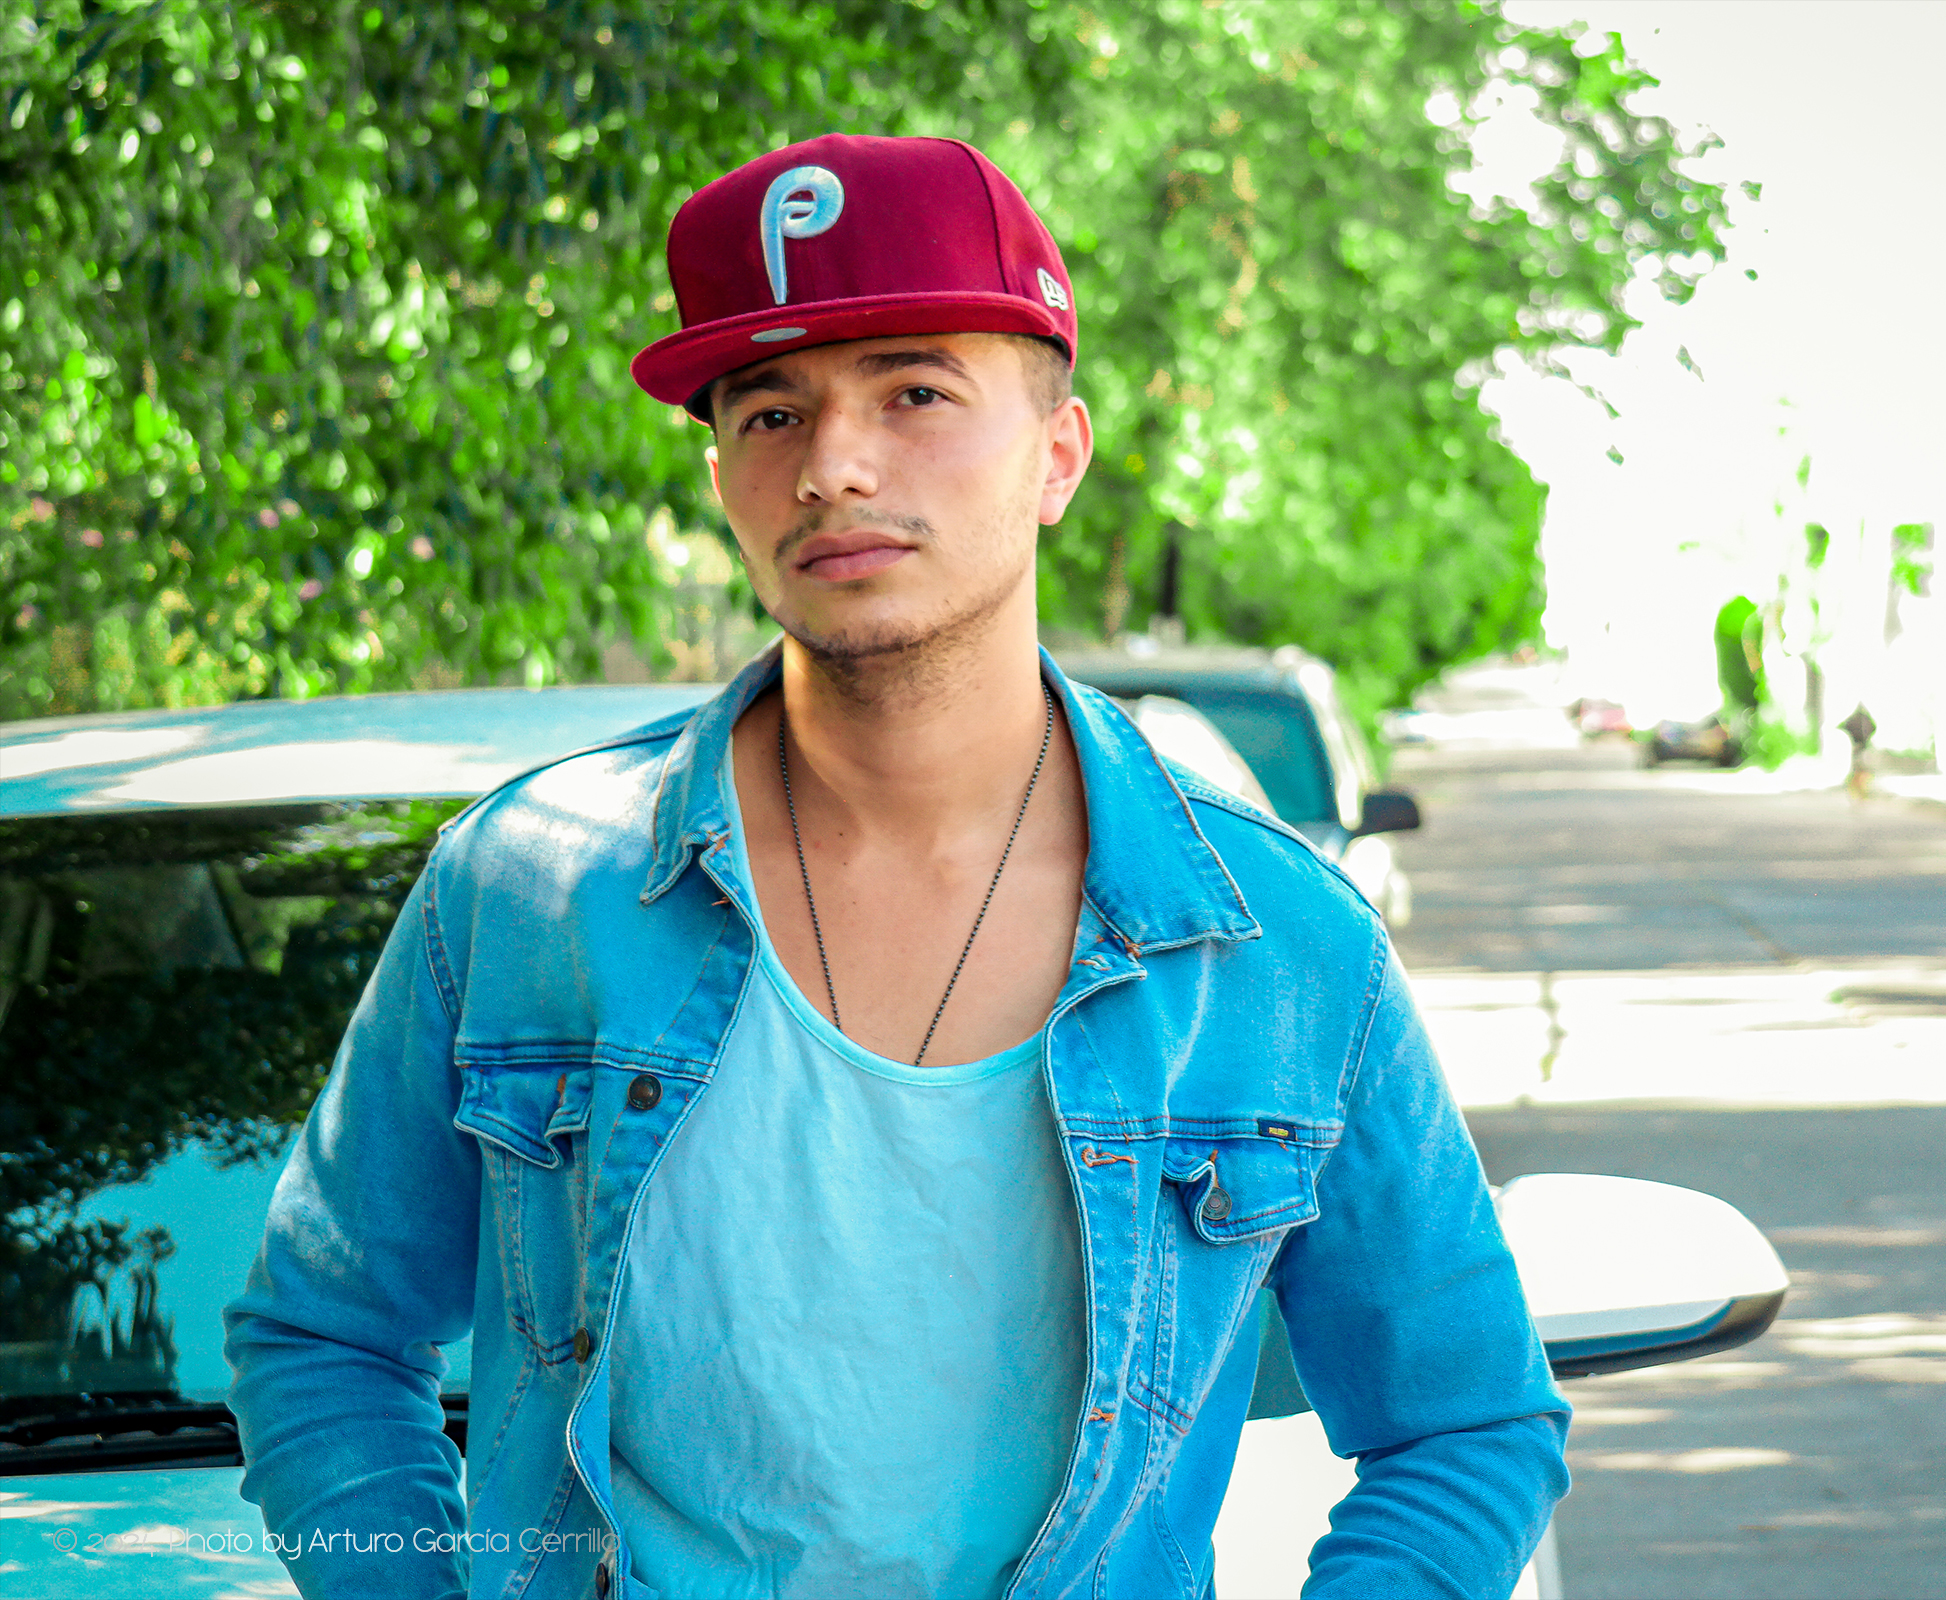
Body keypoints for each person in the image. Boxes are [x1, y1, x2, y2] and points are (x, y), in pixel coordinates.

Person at [225, 133, 1569, 1600]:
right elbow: (324, 1332)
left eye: (916, 392)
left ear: (1058, 454)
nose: (835, 466)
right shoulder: (529, 891)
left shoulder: (1281, 950)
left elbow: (1468, 1426)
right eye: (770, 411)